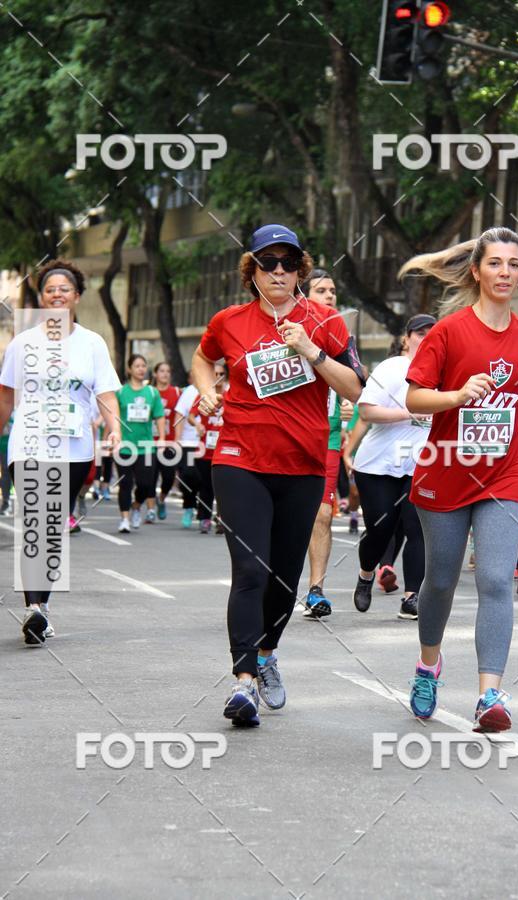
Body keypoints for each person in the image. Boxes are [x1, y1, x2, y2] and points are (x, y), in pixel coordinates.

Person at [192, 224, 364, 727]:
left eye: (289, 263)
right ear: (253, 271)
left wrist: (311, 351)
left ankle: (267, 654)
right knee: (249, 569)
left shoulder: (327, 322)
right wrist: (206, 389)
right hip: (239, 457)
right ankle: (243, 682)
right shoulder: (228, 321)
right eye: (269, 263)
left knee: (284, 577)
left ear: (300, 271)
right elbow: (203, 359)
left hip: (302, 465)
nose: (280, 272)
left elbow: (354, 388)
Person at [402, 227, 518, 733]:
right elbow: (415, 398)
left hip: (506, 470)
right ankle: (428, 663)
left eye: (514, 264)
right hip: (447, 469)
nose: (505, 273)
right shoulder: (449, 331)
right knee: (439, 580)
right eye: (496, 264)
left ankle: (489, 695)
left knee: (496, 577)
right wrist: (458, 395)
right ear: (477, 271)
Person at [0, 259, 121, 643]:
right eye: (49, 289)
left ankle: (41, 606)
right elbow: (5, 396)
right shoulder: (23, 342)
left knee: (53, 526)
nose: (56, 294)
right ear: (41, 297)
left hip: (75, 447)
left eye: (63, 289)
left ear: (77, 297)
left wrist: (115, 426)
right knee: (38, 520)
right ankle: (35, 609)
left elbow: (104, 393)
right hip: (29, 442)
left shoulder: (92, 343)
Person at [351, 314, 435, 620]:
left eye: (432, 334)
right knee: (380, 529)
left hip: (423, 463)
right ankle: (365, 574)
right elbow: (366, 410)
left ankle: (412, 596)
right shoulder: (392, 368)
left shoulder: (447, 372)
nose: (425, 339)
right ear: (407, 338)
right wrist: (409, 412)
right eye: (420, 334)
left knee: (418, 529)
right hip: (378, 464)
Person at [302, 269, 355, 618]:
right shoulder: (289, 330)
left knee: (322, 513)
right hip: (290, 435)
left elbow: (356, 382)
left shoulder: (342, 337)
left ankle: (316, 589)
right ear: (304, 297)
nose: (330, 296)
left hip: (329, 436)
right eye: (321, 290)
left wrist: (350, 403)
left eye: (333, 290)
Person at [115, 354, 165, 533]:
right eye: (137, 366)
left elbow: (159, 416)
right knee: (125, 483)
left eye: (144, 366)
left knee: (145, 485)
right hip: (125, 447)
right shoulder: (120, 392)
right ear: (129, 369)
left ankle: (136, 506)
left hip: (146, 447)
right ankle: (125, 519)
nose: (141, 369)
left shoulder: (152, 393)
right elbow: (114, 417)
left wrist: (162, 438)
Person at [189, 361, 228, 533]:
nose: (218, 377)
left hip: (225, 448)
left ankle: (222, 519)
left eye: (221, 374)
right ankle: (204, 517)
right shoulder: (205, 395)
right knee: (206, 486)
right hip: (205, 448)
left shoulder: (231, 395)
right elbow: (191, 415)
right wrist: (197, 425)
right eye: (215, 374)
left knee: (224, 488)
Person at [152, 361, 181, 520]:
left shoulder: (176, 392)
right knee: (150, 477)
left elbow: (181, 416)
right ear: (155, 374)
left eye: (167, 371)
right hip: (149, 442)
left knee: (169, 477)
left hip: (169, 442)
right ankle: (150, 509)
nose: (165, 374)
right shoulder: (149, 392)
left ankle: (161, 498)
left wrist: (178, 439)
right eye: (161, 370)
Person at [174, 375, 201, 528]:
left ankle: (204, 512)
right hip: (189, 442)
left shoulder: (224, 390)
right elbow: (179, 414)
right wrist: (178, 438)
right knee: (188, 475)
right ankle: (189, 505)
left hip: (211, 443)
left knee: (203, 478)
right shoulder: (190, 391)